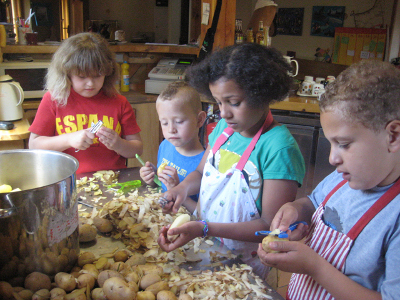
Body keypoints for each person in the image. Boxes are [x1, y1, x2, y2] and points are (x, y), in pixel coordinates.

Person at [158, 43, 306, 278]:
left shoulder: (278, 148)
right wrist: (181, 190)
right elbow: (199, 173)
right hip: (205, 246)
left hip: (244, 265)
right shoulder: (223, 130)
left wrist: (205, 228)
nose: (224, 113)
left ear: (262, 93)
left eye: (234, 102)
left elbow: (269, 226)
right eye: (218, 102)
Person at [257, 60, 400, 299]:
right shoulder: (342, 178)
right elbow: (313, 201)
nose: (333, 158)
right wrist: (295, 209)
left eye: (344, 144)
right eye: (330, 143)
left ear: (392, 136)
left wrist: (313, 267)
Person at [29, 32, 143, 174]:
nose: (90, 83)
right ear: (67, 73)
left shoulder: (119, 102)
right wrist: (69, 139)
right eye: (82, 77)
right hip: (68, 180)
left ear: (108, 73)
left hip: (113, 181)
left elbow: (137, 149)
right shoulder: (54, 99)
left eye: (97, 76)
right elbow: (34, 146)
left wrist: (119, 144)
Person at [139, 81, 206, 213]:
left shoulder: (205, 163)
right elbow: (161, 186)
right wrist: (153, 177)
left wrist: (176, 190)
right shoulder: (165, 145)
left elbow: (202, 214)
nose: (171, 129)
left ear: (199, 120)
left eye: (179, 121)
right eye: (164, 123)